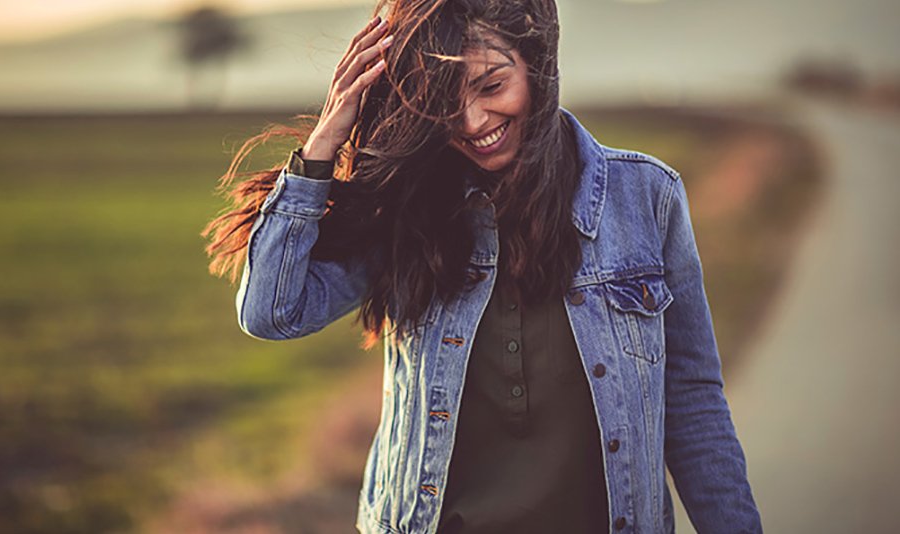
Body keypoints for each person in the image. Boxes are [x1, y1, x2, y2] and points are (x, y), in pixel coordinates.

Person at [202, 0, 763, 532]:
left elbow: (693, 404)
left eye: (492, 85)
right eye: (444, 102)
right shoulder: (410, 210)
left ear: (538, 65)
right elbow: (270, 312)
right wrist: (323, 144)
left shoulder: (645, 197)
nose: (471, 122)